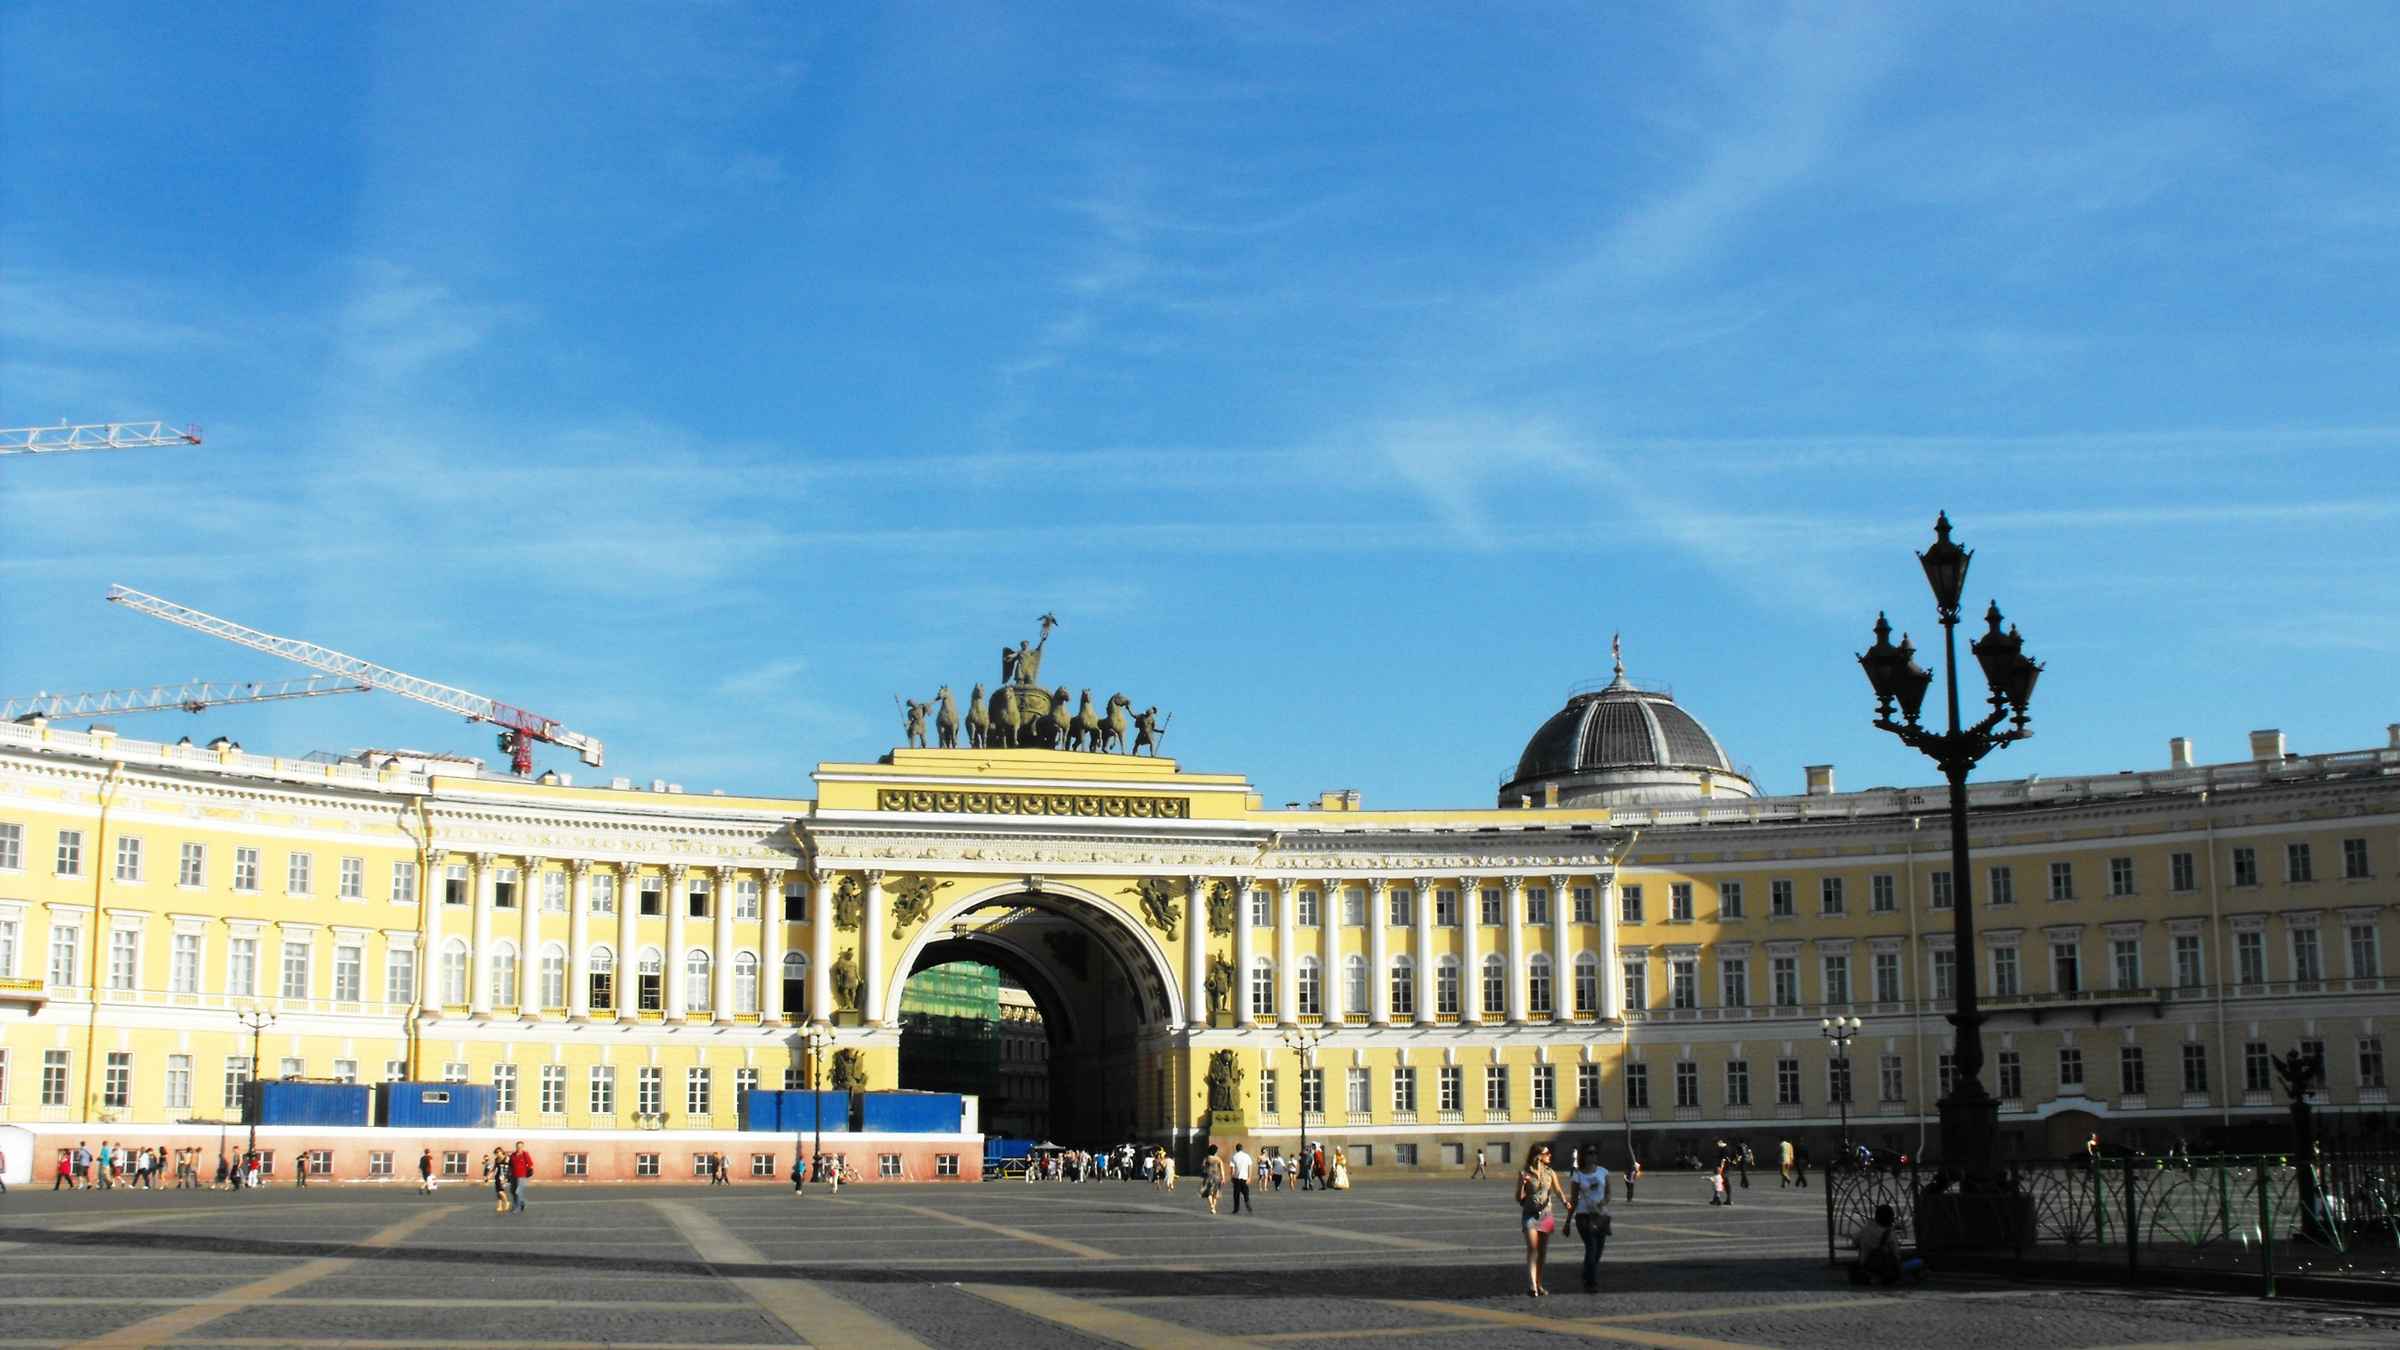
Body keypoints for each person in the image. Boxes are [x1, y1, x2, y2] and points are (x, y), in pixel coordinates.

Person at [1515, 1143, 1569, 1298]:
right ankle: (1532, 1286)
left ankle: (1539, 1284)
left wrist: (1565, 1202)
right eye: (1547, 1153)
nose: (1550, 1155)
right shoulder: (1524, 1173)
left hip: (1546, 1215)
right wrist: (1523, 1185)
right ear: (1538, 1156)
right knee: (1533, 1248)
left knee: (1542, 1252)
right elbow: (1519, 1198)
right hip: (1529, 1214)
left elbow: (1558, 1190)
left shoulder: (1550, 1172)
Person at [1567, 1147, 1611, 1293]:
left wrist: (1603, 1203)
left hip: (1600, 1215)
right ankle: (1592, 1282)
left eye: (1595, 1153)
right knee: (1591, 1247)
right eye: (1590, 1153)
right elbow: (1573, 1199)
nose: (1593, 1156)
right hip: (1583, 1215)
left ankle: (1587, 1273)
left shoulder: (1603, 1172)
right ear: (1583, 1157)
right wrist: (1567, 1221)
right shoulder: (1577, 1175)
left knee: (1598, 1250)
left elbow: (1608, 1194)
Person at [1850, 1203, 1906, 1286]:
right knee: (1917, 1262)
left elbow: (1854, 1243)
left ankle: (1873, 1277)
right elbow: (1896, 1255)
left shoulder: (1865, 1229)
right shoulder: (1890, 1234)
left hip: (1866, 1265)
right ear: (1889, 1219)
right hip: (1884, 1268)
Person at [1228, 1142, 1255, 1214]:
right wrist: (1249, 1177)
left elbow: (1232, 1168)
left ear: (1236, 1149)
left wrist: (1231, 1176)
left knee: (1236, 1195)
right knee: (1246, 1193)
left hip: (1236, 1178)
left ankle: (1236, 1209)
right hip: (1245, 1178)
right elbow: (1250, 1166)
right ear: (1242, 1148)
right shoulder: (1247, 1156)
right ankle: (1247, 1203)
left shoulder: (1234, 1156)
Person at [508, 1141, 533, 1212]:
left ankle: (517, 1207)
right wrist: (508, 1174)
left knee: (518, 1192)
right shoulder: (513, 1155)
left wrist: (529, 1172)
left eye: (520, 1147)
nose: (519, 1148)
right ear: (516, 1147)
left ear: (523, 1147)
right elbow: (510, 1165)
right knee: (512, 1191)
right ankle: (522, 1202)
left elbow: (530, 1164)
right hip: (513, 1176)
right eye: (518, 1146)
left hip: (522, 1176)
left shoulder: (525, 1154)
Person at [1201, 1144, 1224, 1215]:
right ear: (1216, 1151)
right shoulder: (1218, 1159)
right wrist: (1223, 1178)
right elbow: (1222, 1169)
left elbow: (1203, 1167)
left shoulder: (1206, 1158)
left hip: (1208, 1177)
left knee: (1208, 1193)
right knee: (1215, 1193)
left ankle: (1212, 1205)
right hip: (1217, 1177)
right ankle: (1213, 1207)